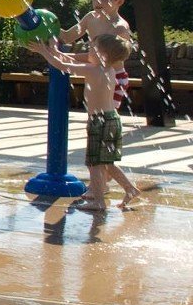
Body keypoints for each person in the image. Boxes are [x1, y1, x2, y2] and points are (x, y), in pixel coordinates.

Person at [28, 34, 145, 210]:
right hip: (112, 119)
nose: (88, 51)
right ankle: (129, 188)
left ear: (102, 55)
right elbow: (67, 59)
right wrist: (54, 50)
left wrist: (44, 52)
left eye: (92, 49)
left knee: (94, 162)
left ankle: (98, 200)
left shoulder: (93, 70)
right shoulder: (108, 70)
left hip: (100, 121)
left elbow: (63, 66)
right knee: (106, 161)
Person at [59, 0, 133, 110]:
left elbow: (101, 57)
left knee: (104, 114)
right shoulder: (90, 18)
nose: (98, 2)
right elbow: (67, 37)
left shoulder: (119, 28)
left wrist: (62, 57)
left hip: (114, 77)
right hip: (96, 72)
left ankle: (109, 130)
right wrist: (46, 27)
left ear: (119, 1)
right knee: (93, 113)